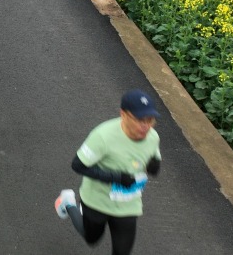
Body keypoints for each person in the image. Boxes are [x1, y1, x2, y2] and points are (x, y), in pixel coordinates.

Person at [54, 90, 162, 255]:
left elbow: (154, 159)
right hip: (97, 200)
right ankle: (68, 203)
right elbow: (77, 165)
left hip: (128, 203)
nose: (145, 126)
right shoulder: (102, 136)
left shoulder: (152, 137)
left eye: (150, 120)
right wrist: (116, 178)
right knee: (92, 239)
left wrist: (154, 165)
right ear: (124, 115)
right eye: (140, 120)